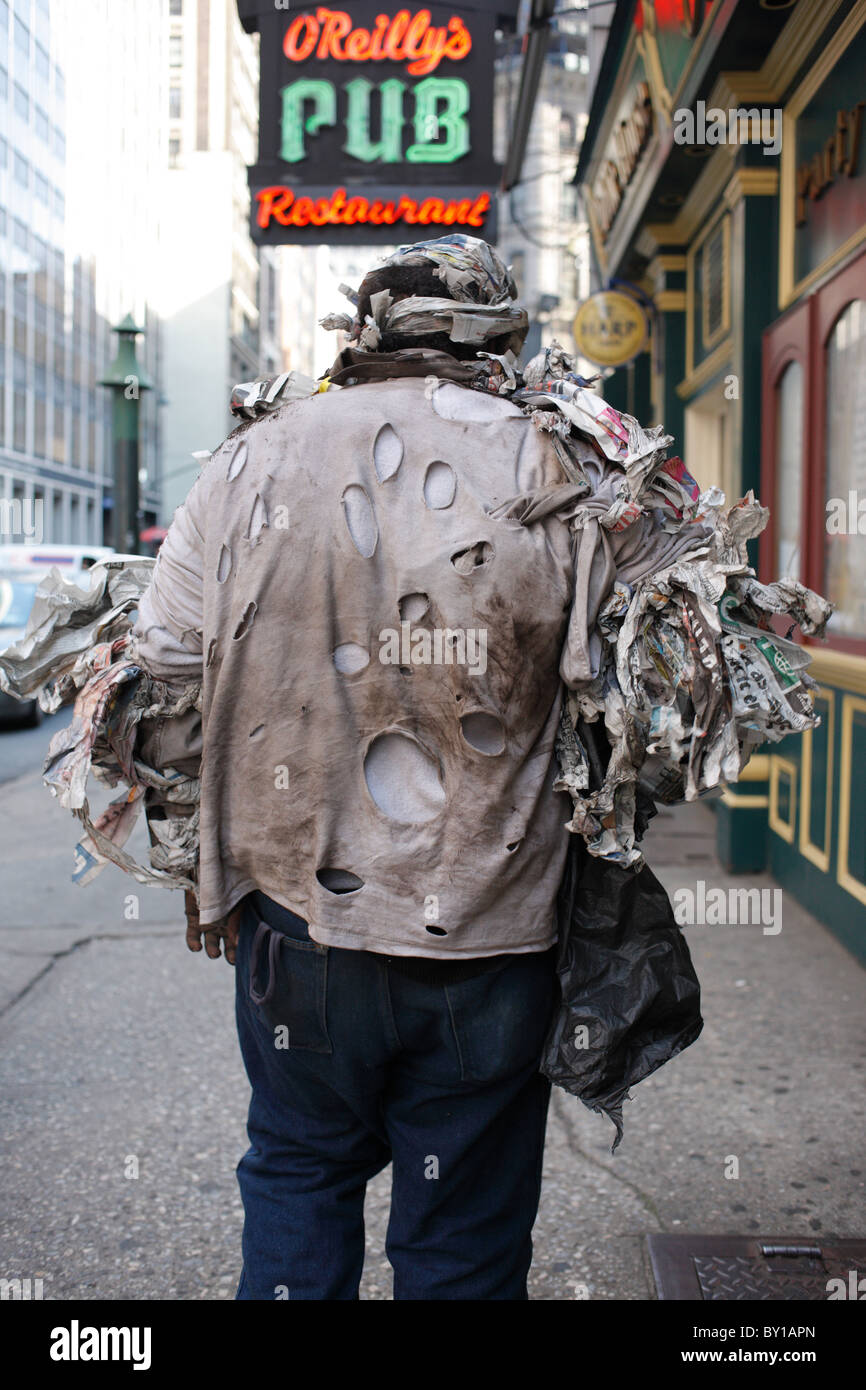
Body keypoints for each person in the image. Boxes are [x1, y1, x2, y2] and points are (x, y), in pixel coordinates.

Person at [127, 234, 706, 1300]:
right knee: (460, 1236)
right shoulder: (566, 463)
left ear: (365, 333)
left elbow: (161, 665)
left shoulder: (252, 457)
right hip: (493, 930)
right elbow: (679, 675)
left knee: (299, 1170)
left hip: (298, 924)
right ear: (503, 338)